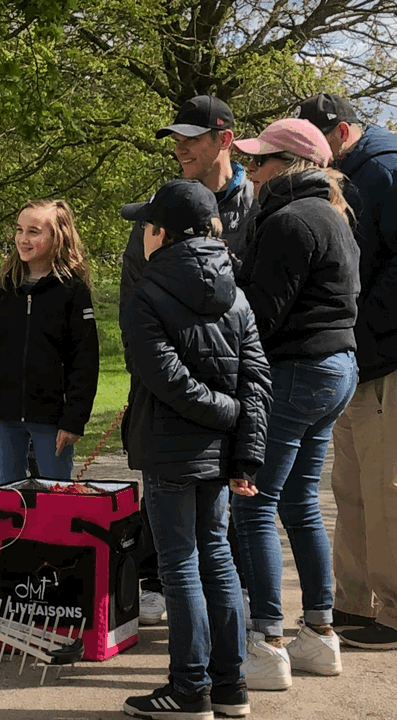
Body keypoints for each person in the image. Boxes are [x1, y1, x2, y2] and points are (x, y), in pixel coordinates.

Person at [296, 92, 397, 650]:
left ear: (340, 131)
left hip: (396, 355)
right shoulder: (353, 166)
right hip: (365, 357)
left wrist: (365, 328)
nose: (310, 161)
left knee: (390, 490)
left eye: (314, 148)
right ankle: (355, 603)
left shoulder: (387, 165)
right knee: (353, 488)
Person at [121, 178, 272, 720]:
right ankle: (229, 686)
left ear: (161, 233)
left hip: (171, 451)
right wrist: (244, 447)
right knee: (218, 559)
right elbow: (256, 378)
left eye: (145, 226)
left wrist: (232, 420)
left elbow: (165, 378)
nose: (141, 235)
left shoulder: (147, 291)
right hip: (216, 450)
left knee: (184, 563)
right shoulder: (237, 291)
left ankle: (190, 688)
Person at [228, 118, 360, 689]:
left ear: (287, 165)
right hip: (338, 369)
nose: (249, 171)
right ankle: (321, 636)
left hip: (298, 371)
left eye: (257, 162)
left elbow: (260, 314)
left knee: (255, 504)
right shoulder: (333, 214)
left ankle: (266, 642)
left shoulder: (287, 220)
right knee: (300, 502)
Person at [119, 95, 256, 626]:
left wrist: (235, 406)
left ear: (224, 140)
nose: (179, 147)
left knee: (219, 536)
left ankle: (214, 657)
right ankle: (203, 646)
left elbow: (254, 308)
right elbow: (138, 293)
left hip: (225, 383)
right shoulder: (162, 207)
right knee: (182, 539)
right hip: (171, 387)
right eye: (174, 138)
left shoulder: (256, 204)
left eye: (191, 138)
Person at [0, 199, 99, 486]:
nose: (23, 239)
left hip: (51, 420)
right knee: (8, 498)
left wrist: (74, 419)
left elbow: (85, 360)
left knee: (53, 500)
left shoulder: (72, 291)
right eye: (19, 230)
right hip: (5, 417)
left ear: (57, 237)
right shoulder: (2, 287)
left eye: (34, 232)